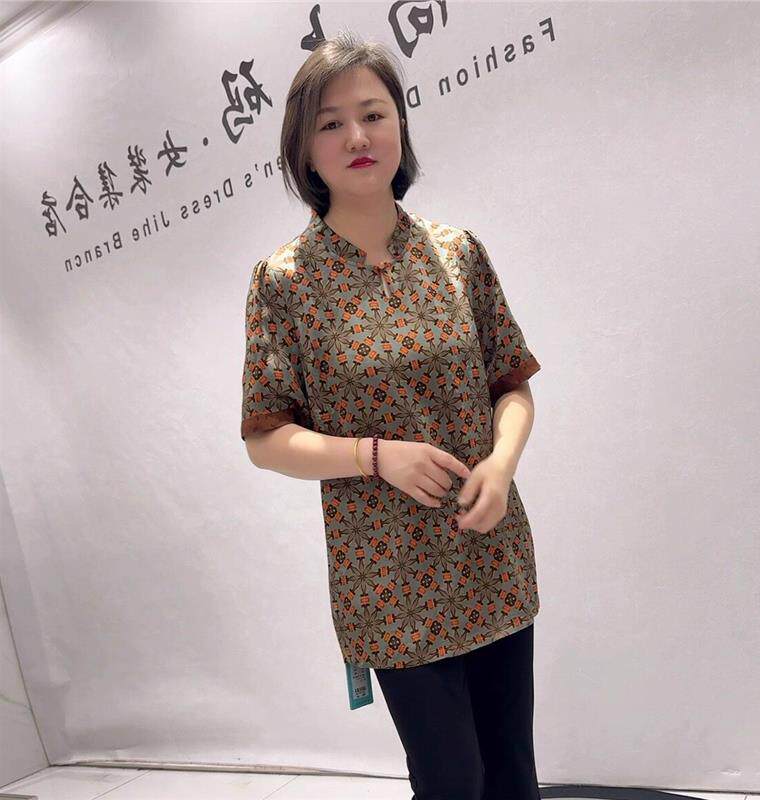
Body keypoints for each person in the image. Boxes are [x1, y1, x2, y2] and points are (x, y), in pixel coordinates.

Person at [241, 31, 543, 800]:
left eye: (373, 114)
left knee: (512, 771)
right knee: (451, 780)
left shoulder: (457, 252)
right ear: (305, 151)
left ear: (400, 126)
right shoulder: (285, 282)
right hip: (387, 579)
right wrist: (377, 455)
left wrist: (501, 464)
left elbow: (511, 386)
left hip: (491, 555)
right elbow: (267, 438)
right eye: (331, 122)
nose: (358, 136)